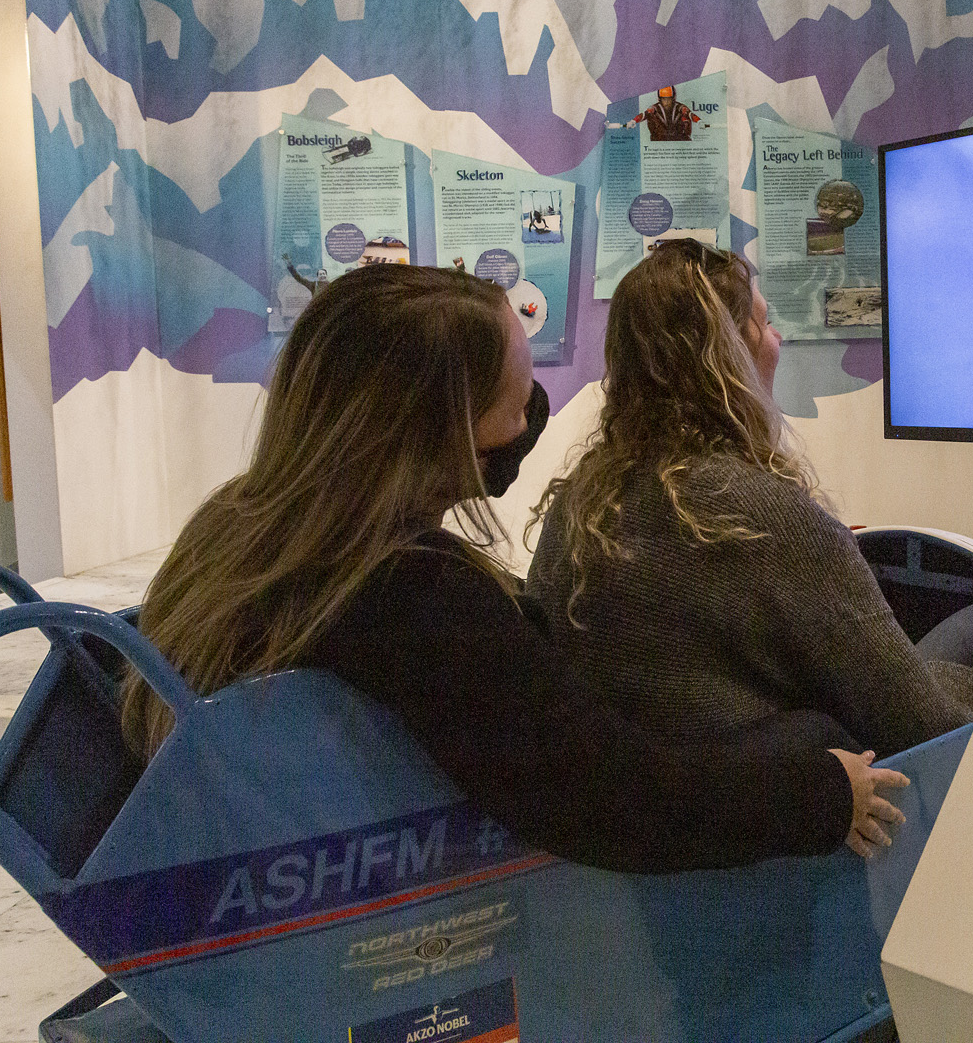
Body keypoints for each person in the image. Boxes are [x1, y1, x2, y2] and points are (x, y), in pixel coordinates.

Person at [120, 264, 909, 870]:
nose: (534, 408)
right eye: (517, 392)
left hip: (271, 864)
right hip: (463, 887)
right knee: (818, 734)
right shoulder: (417, 598)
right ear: (440, 426)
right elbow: (614, 799)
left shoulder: (244, 530)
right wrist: (821, 794)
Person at [528, 239, 973, 759]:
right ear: (727, 359)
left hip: (641, 807)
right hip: (789, 808)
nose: (776, 338)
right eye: (762, 323)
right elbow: (924, 727)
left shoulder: (582, 499)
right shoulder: (768, 516)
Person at [626, 86, 705, 142]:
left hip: (678, 138)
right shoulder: (654, 108)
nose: (666, 102)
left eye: (669, 99)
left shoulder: (680, 107)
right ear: (660, 99)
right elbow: (643, 115)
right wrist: (633, 121)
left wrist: (699, 121)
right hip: (659, 138)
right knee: (651, 116)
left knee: (685, 116)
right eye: (664, 99)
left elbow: (690, 115)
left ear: (673, 99)